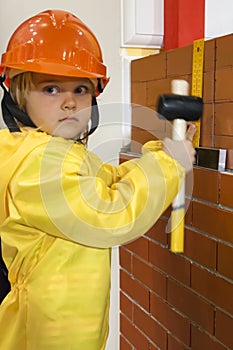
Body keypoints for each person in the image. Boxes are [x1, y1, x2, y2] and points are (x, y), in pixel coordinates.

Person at [0, 9, 196, 350]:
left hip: (65, 320)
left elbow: (109, 181)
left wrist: (163, 152)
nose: (70, 102)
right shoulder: (37, 166)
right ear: (18, 96)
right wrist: (168, 165)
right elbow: (109, 214)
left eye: (80, 88)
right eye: (50, 89)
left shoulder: (54, 154)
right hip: (51, 332)